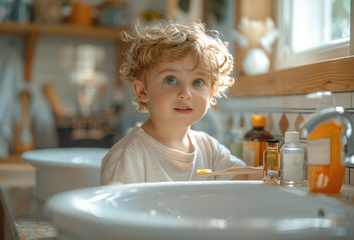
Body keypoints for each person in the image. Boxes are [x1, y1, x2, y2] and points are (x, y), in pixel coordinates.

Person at [100, 19, 255, 185]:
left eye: (197, 82)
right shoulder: (128, 156)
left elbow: (245, 179)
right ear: (142, 91)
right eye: (171, 80)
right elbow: (116, 209)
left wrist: (280, 167)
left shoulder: (209, 149)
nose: (185, 94)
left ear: (210, 95)